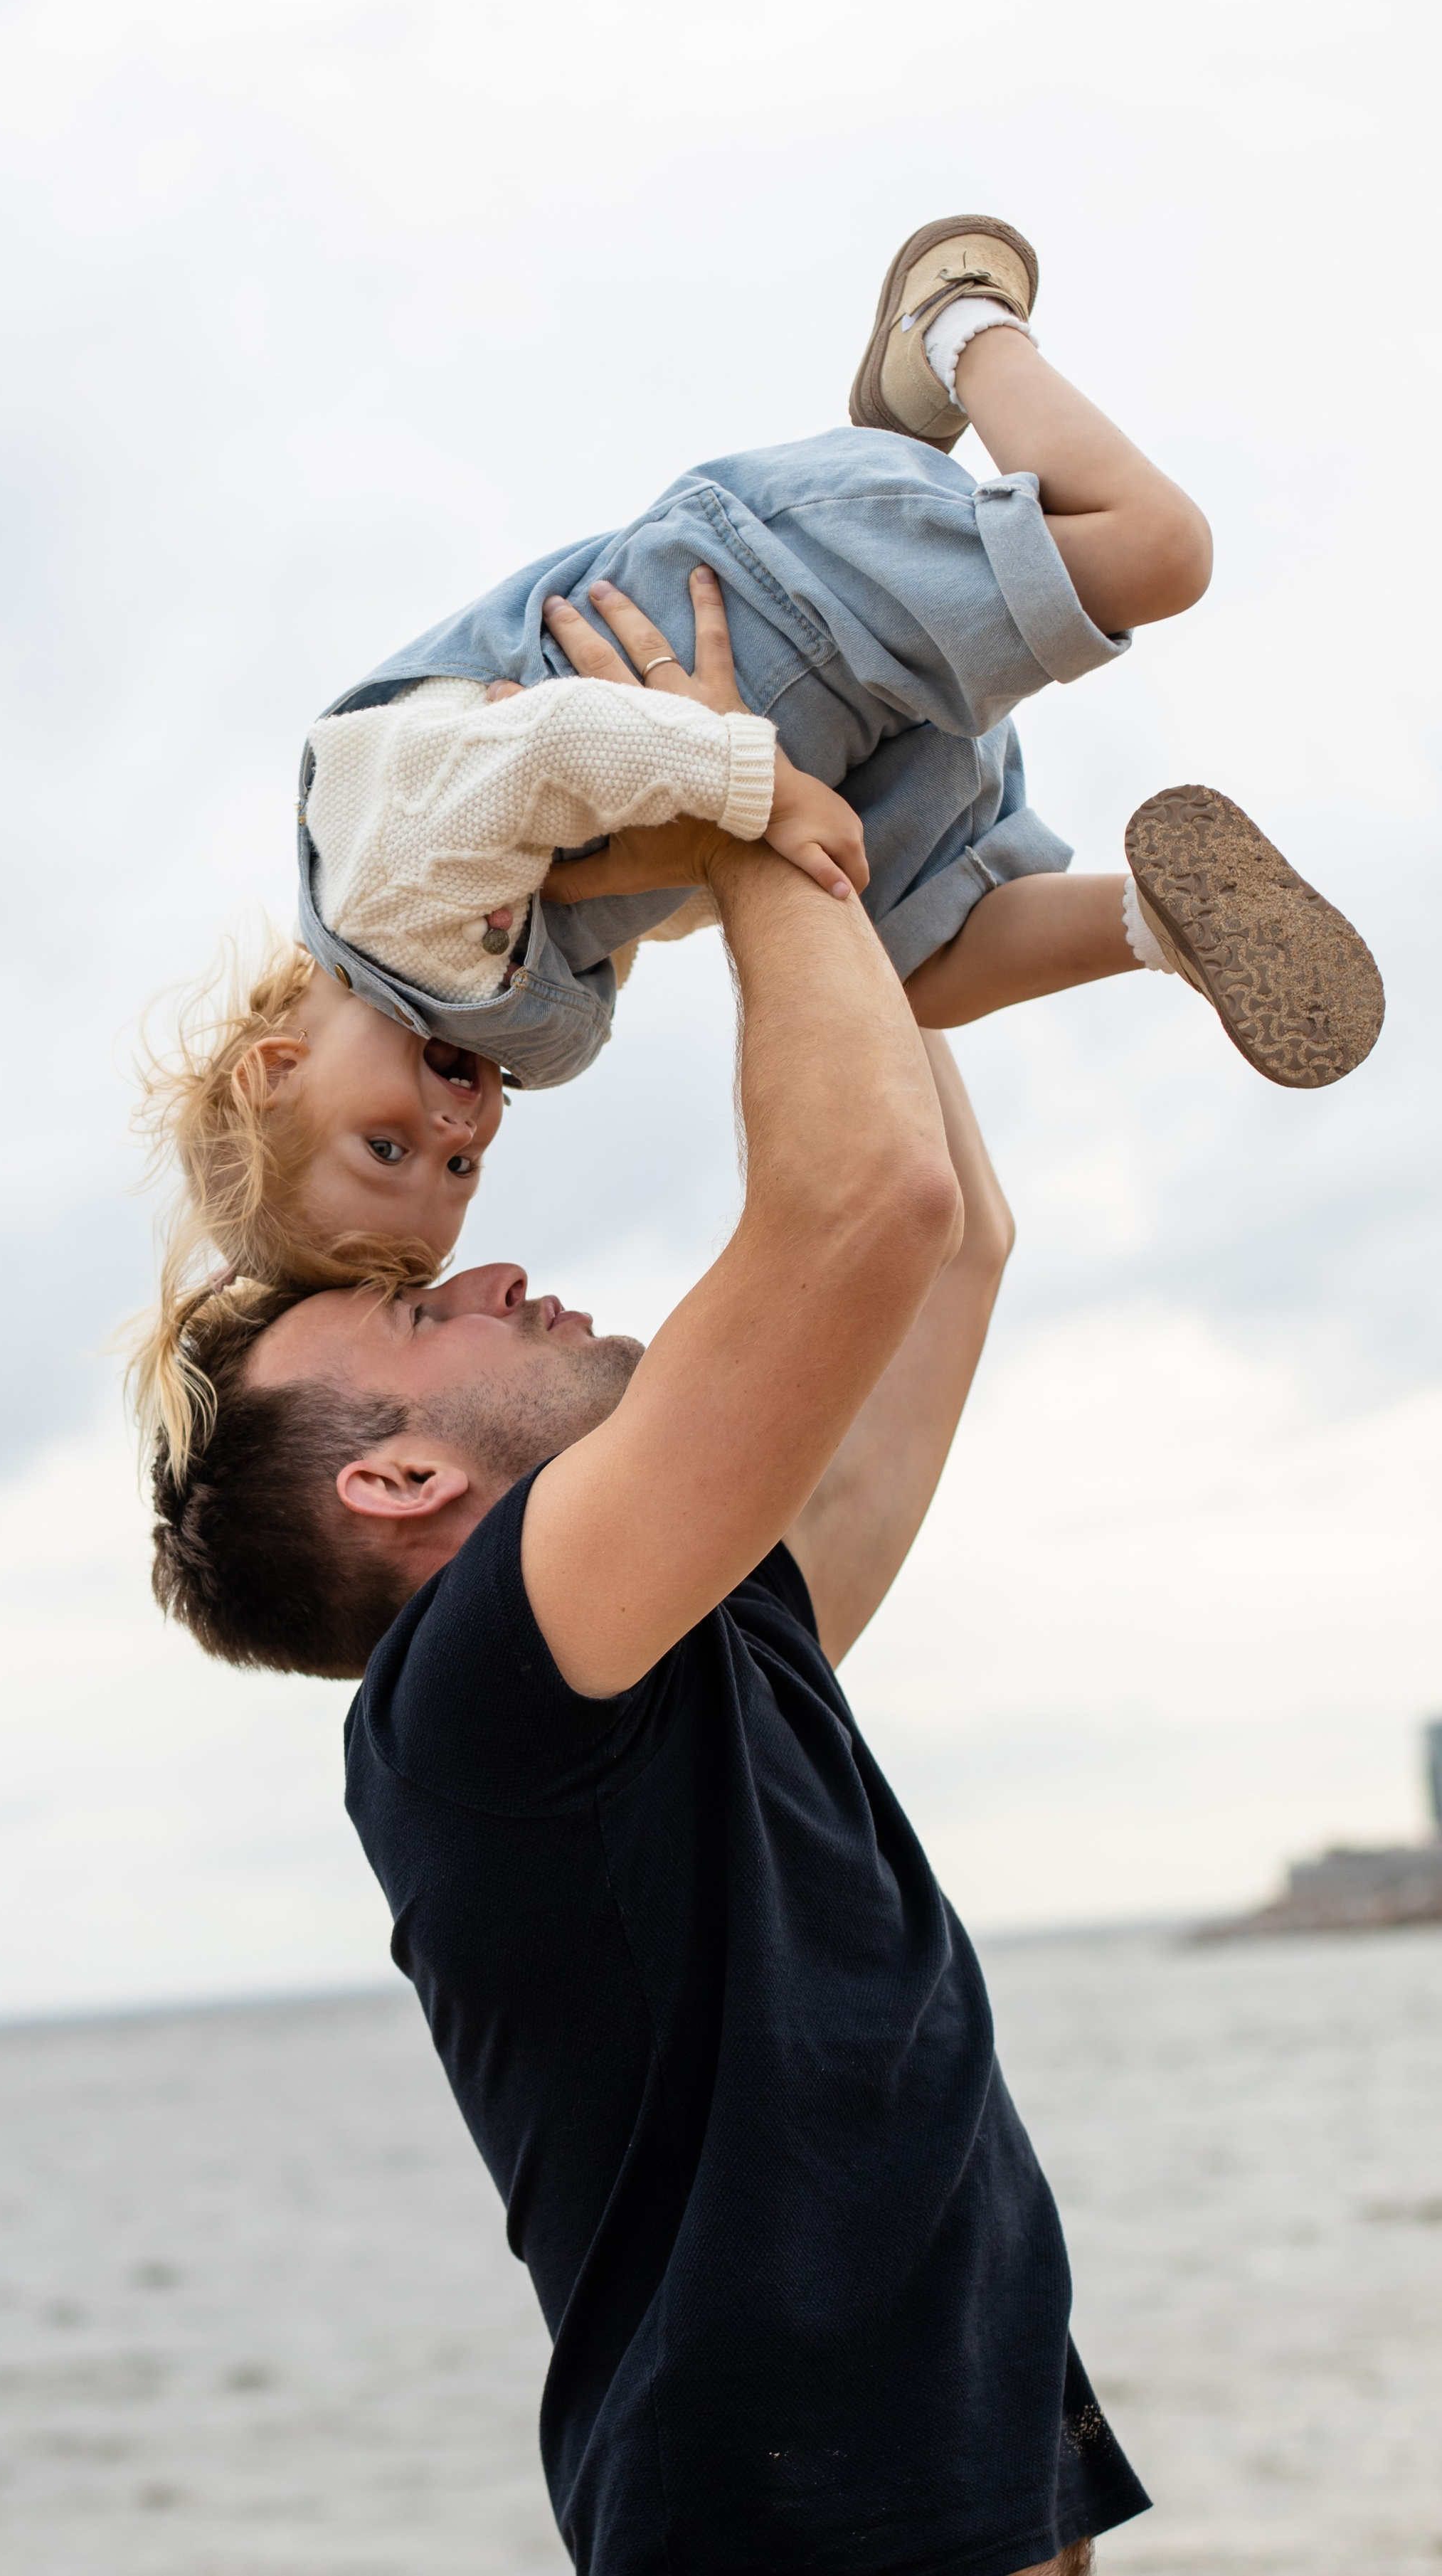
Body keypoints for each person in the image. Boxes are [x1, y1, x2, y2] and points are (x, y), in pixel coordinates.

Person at [145, 806, 1150, 2575]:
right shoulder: (467, 1700)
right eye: (422, 1318)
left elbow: (947, 1243)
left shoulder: (698, 1638)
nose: (490, 1270)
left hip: (955, 2500)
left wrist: (853, 848)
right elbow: (864, 1204)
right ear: (396, 1481)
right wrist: (742, 807)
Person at [129, 216, 1381, 1462]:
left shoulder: (380, 884)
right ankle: (1160, 921)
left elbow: (555, 742)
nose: (455, 1138)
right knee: (909, 975)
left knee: (1157, 552)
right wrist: (739, 830)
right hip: (832, 734)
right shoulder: (490, 1009)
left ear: (276, 1068)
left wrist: (763, 794)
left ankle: (954, 322)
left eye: (389, 1146)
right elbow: (647, 875)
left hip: (775, 586)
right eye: (456, 1176)